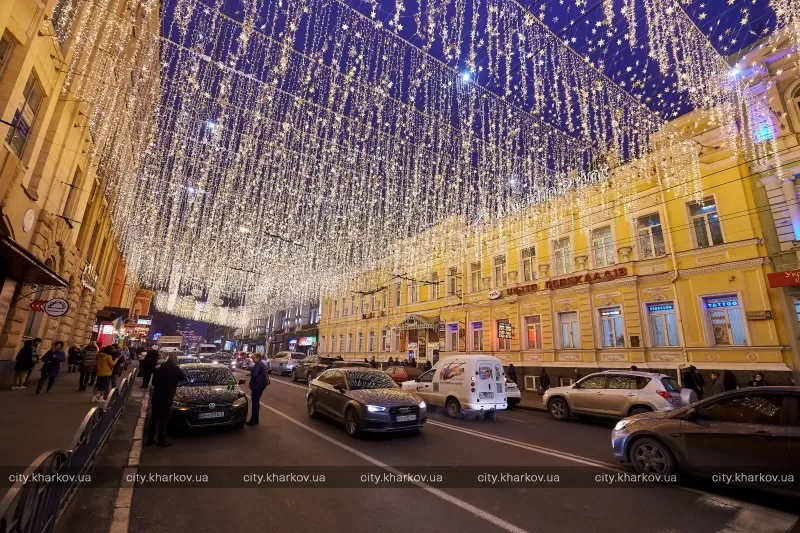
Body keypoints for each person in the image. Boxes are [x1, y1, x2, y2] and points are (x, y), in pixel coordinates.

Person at [146, 352, 187, 447]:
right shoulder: (175, 369)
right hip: (167, 397)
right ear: (175, 360)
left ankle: (150, 440)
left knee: (154, 418)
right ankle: (161, 440)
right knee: (164, 420)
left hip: (157, 396)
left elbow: (154, 383)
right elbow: (183, 378)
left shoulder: (159, 368)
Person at [247, 354, 269, 425]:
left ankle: (253, 420)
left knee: (255, 402)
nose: (252, 359)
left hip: (258, 385)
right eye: (252, 358)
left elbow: (254, 375)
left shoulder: (258, 364)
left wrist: (250, 383)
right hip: (262, 384)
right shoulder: (261, 363)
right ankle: (256, 419)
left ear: (258, 358)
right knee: (256, 401)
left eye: (254, 358)